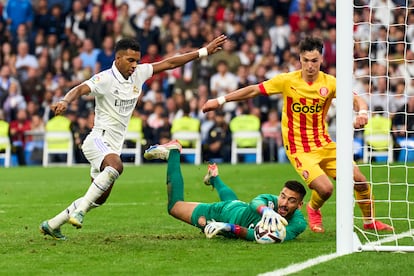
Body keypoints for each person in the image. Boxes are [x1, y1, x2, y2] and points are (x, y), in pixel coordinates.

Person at [39, 34, 227, 241]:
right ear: (117, 59)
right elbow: (80, 88)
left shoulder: (139, 73)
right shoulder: (105, 79)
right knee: (116, 166)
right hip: (97, 141)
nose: (135, 65)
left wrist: (204, 51)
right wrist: (65, 101)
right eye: (130, 60)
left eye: (137, 60)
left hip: (112, 147)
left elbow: (171, 62)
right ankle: (79, 212)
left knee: (99, 199)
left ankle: (52, 224)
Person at [202, 36, 393, 233]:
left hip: (324, 143)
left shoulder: (330, 83)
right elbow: (253, 90)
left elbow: (357, 100)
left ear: (321, 60)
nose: (310, 66)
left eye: (314, 61)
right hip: (299, 148)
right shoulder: (287, 81)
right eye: (306, 60)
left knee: (359, 180)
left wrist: (362, 113)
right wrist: (220, 100)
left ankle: (370, 222)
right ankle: (313, 209)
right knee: (326, 189)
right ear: (299, 60)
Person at [143, 140, 307, 242]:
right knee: (174, 207)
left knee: (232, 202)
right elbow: (256, 202)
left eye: (291, 200)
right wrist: (265, 211)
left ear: (299, 205)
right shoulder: (272, 201)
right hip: (222, 213)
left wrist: (230, 227)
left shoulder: (298, 223)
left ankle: (214, 177)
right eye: (283, 197)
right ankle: (173, 152)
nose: (283, 203)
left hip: (234, 210)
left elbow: (259, 236)